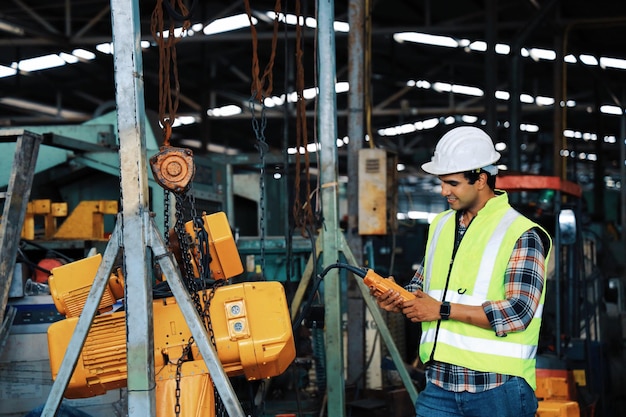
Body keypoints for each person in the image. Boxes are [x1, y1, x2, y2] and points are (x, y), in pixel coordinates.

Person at [373, 126, 552, 417]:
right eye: (442, 182)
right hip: (439, 386)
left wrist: (441, 310)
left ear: (481, 179)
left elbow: (519, 312)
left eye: (453, 183)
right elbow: (422, 288)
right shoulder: (441, 225)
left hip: (497, 390)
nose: (444, 191)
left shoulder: (521, 233)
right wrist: (398, 296)